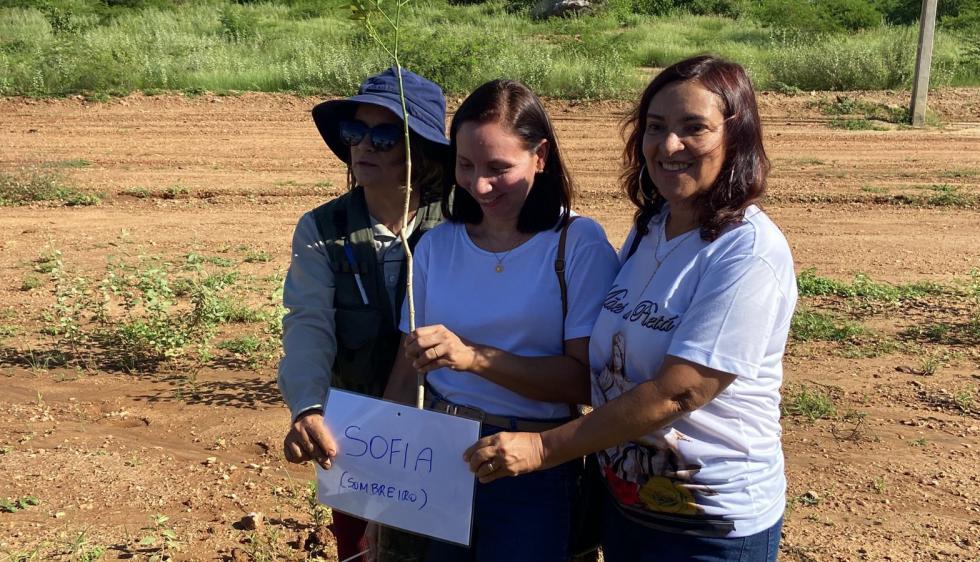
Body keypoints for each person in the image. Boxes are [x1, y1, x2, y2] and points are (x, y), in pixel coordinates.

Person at [464, 55, 797, 562]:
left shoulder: (747, 253)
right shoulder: (652, 228)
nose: (669, 146)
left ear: (736, 136)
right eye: (656, 127)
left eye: (694, 128)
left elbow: (679, 392)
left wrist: (541, 449)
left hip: (708, 524)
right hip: (628, 506)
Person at [382, 79, 620, 562]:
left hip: (531, 466)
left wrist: (474, 359)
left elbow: (585, 383)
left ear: (541, 157)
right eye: (465, 166)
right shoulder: (437, 245)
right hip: (441, 457)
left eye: (499, 168)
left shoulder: (577, 244)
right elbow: (409, 368)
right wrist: (381, 477)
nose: (479, 185)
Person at [277, 67, 450, 562]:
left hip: (445, 429)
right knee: (361, 550)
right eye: (355, 132)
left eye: (384, 135)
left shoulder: (461, 222)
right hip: (359, 436)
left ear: (420, 150)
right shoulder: (322, 228)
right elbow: (308, 323)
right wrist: (308, 407)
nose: (364, 146)